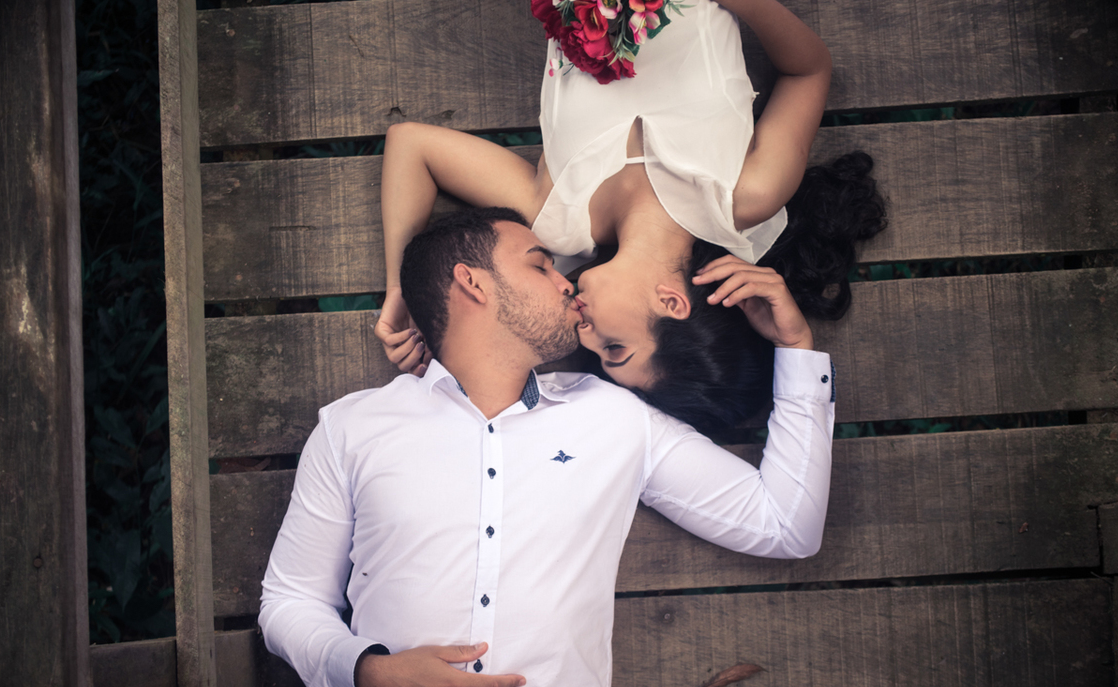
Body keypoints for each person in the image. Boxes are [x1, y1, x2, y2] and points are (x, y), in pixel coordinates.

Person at [259, 206, 837, 687]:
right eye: (540, 266)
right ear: (473, 283)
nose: (567, 283)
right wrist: (370, 674)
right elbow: (289, 600)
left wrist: (795, 348)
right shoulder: (353, 428)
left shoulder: (616, 420)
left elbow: (785, 525)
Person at [375, 0, 884, 435]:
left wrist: (401, 288)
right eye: (614, 348)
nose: (584, 335)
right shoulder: (748, 193)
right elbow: (809, 70)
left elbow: (412, 146)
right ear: (671, 302)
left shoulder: (557, 220)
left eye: (599, 357)